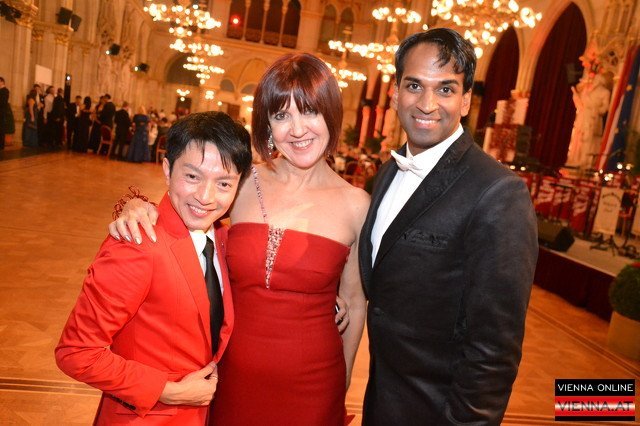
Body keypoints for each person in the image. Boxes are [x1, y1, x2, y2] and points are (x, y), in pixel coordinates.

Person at [109, 53, 368, 425]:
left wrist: (340, 388)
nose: (297, 130)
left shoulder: (357, 205)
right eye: (282, 115)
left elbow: (355, 305)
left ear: (331, 113)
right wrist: (135, 205)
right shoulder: (242, 182)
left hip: (314, 385)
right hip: (230, 376)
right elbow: (182, 210)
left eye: (309, 111)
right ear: (267, 125)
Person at [358, 28, 538, 425]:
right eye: (414, 86)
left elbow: (494, 349)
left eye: (445, 89)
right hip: (383, 403)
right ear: (395, 93)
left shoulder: (498, 193)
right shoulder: (387, 173)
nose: (427, 104)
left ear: (466, 100)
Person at [55, 111, 253, 424]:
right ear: (167, 169)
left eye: (224, 183)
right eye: (192, 177)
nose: (206, 197)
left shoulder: (224, 239)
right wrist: (165, 390)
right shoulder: (137, 244)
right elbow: (76, 352)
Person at [0, 77, 10, 150]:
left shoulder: (5, 90)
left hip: (1, 112)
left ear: (2, 82)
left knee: (1, 129)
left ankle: (1, 145)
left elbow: (3, 102)